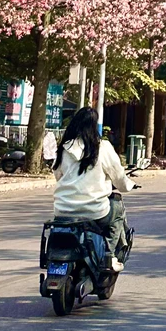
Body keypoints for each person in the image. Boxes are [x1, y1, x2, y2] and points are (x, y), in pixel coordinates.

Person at [52, 107, 134, 270]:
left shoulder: (64, 148)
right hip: (95, 212)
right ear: (94, 126)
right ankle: (108, 256)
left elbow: (58, 175)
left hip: (62, 211)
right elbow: (118, 177)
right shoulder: (102, 147)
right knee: (117, 210)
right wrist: (128, 186)